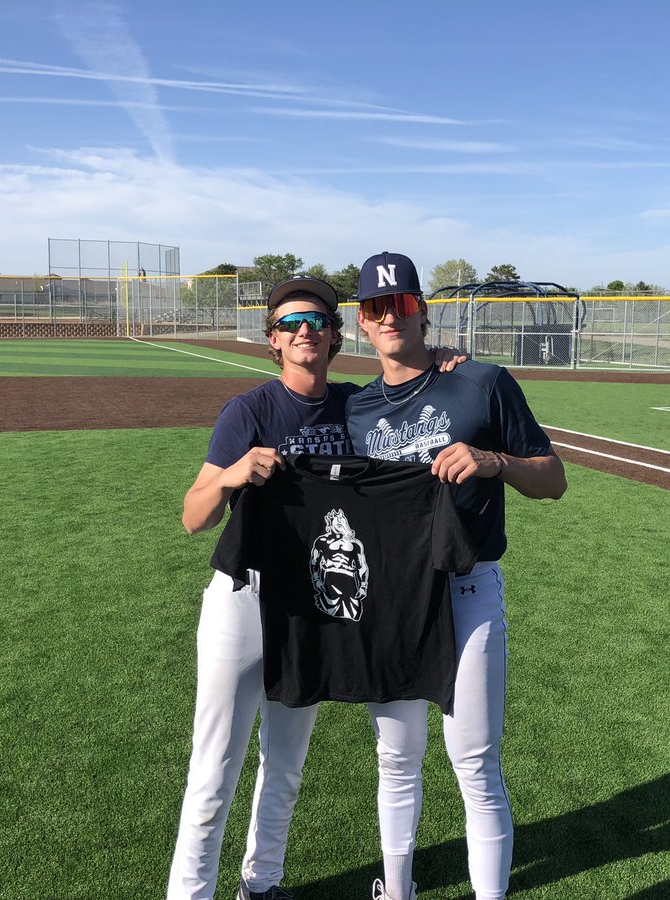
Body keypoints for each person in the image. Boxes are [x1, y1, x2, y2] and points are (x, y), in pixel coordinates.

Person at [170, 275, 466, 900]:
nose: (304, 331)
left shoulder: (356, 407)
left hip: (309, 604)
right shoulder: (248, 411)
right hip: (244, 598)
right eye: (290, 323)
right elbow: (194, 517)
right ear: (272, 340)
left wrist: (436, 360)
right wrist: (232, 475)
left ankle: (263, 882)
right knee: (215, 767)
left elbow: (407, 393)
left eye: (317, 321)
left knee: (286, 761)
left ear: (334, 335)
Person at [346, 251, 567, 900]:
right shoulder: (352, 410)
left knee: (474, 763)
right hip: (391, 604)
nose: (391, 316)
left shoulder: (482, 383)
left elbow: (553, 479)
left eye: (404, 304)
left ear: (423, 311)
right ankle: (399, 888)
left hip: (467, 592)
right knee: (395, 760)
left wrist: (494, 461)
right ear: (362, 323)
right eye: (376, 308)